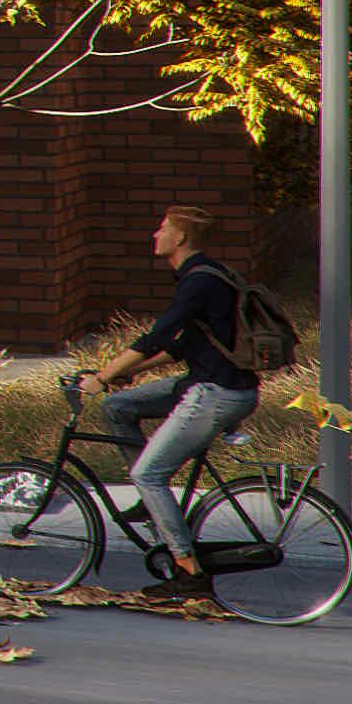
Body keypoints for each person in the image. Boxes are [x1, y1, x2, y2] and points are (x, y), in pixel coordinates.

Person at [85, 205, 263, 596]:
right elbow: (187, 343)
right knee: (119, 406)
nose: (155, 234)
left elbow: (158, 336)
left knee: (148, 474)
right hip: (206, 383)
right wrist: (135, 372)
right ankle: (152, 504)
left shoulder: (199, 282)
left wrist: (103, 375)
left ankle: (189, 572)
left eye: (162, 228)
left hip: (217, 393)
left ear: (180, 239)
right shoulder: (206, 275)